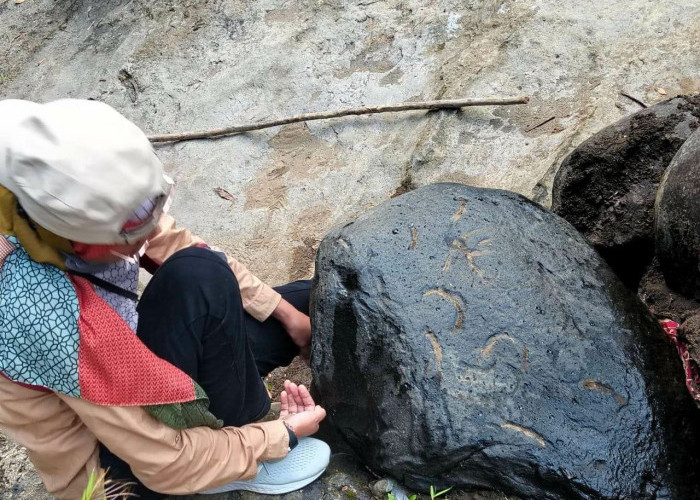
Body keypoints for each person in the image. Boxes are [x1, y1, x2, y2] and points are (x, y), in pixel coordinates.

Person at [0, 99, 328, 499]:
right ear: (83, 244)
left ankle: (231, 427)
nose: (153, 226)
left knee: (302, 300)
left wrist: (288, 315)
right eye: (139, 227)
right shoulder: (47, 316)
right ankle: (235, 462)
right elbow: (164, 462)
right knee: (200, 277)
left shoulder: (48, 167)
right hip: (114, 463)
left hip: (125, 353)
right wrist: (277, 436)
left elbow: (180, 245)